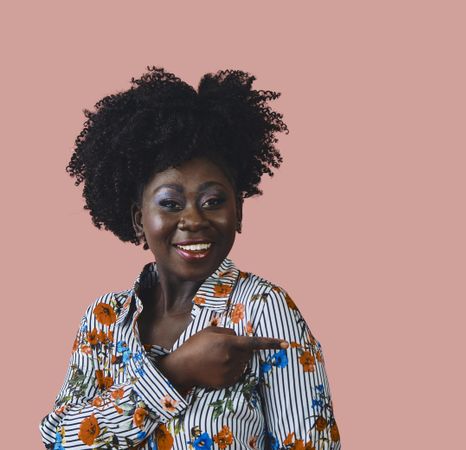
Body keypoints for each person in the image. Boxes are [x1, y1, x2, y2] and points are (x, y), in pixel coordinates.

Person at [39, 67, 340, 450]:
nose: (194, 219)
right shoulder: (104, 320)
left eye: (213, 201)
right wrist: (174, 372)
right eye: (170, 203)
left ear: (239, 213)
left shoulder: (264, 310)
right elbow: (58, 439)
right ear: (138, 221)